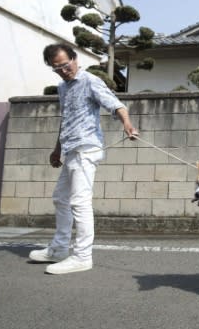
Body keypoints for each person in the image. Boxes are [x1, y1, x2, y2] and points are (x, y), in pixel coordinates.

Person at [29, 43, 138, 274]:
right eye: (56, 68)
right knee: (61, 198)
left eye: (65, 65)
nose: (63, 70)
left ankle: (82, 256)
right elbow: (65, 120)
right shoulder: (62, 88)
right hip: (70, 150)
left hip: (86, 148)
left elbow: (116, 104)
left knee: (79, 202)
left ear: (74, 58)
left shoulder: (90, 81)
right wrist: (57, 149)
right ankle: (59, 249)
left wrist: (127, 124)